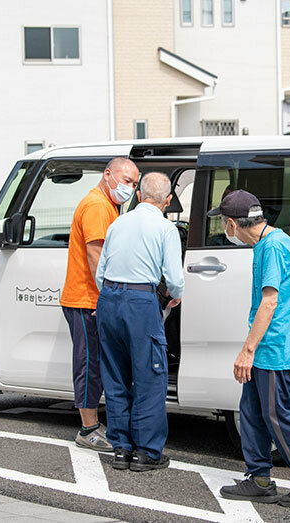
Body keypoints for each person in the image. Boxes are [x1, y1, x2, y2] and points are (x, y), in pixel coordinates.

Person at [212, 190, 290, 508]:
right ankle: (259, 479)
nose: (225, 231)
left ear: (232, 223)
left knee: (277, 415)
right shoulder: (273, 242)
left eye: (223, 224)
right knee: (252, 412)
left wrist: (247, 349)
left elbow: (269, 301)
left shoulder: (272, 248)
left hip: (275, 349)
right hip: (274, 347)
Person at [95, 171, 184, 472]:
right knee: (149, 377)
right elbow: (174, 278)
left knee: (116, 376)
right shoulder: (165, 228)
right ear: (168, 201)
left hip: (108, 298)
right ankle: (146, 453)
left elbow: (100, 271)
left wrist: (110, 296)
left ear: (139, 195)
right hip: (139, 303)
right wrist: (175, 295)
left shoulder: (118, 223)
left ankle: (120, 449)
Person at [60, 157, 140, 451]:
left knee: (95, 362)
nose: (129, 188)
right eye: (126, 180)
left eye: (134, 184)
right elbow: (97, 258)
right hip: (86, 300)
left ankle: (93, 423)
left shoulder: (108, 205)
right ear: (108, 175)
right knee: (89, 364)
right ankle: (87, 429)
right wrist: (108, 299)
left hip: (92, 298)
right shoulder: (96, 206)